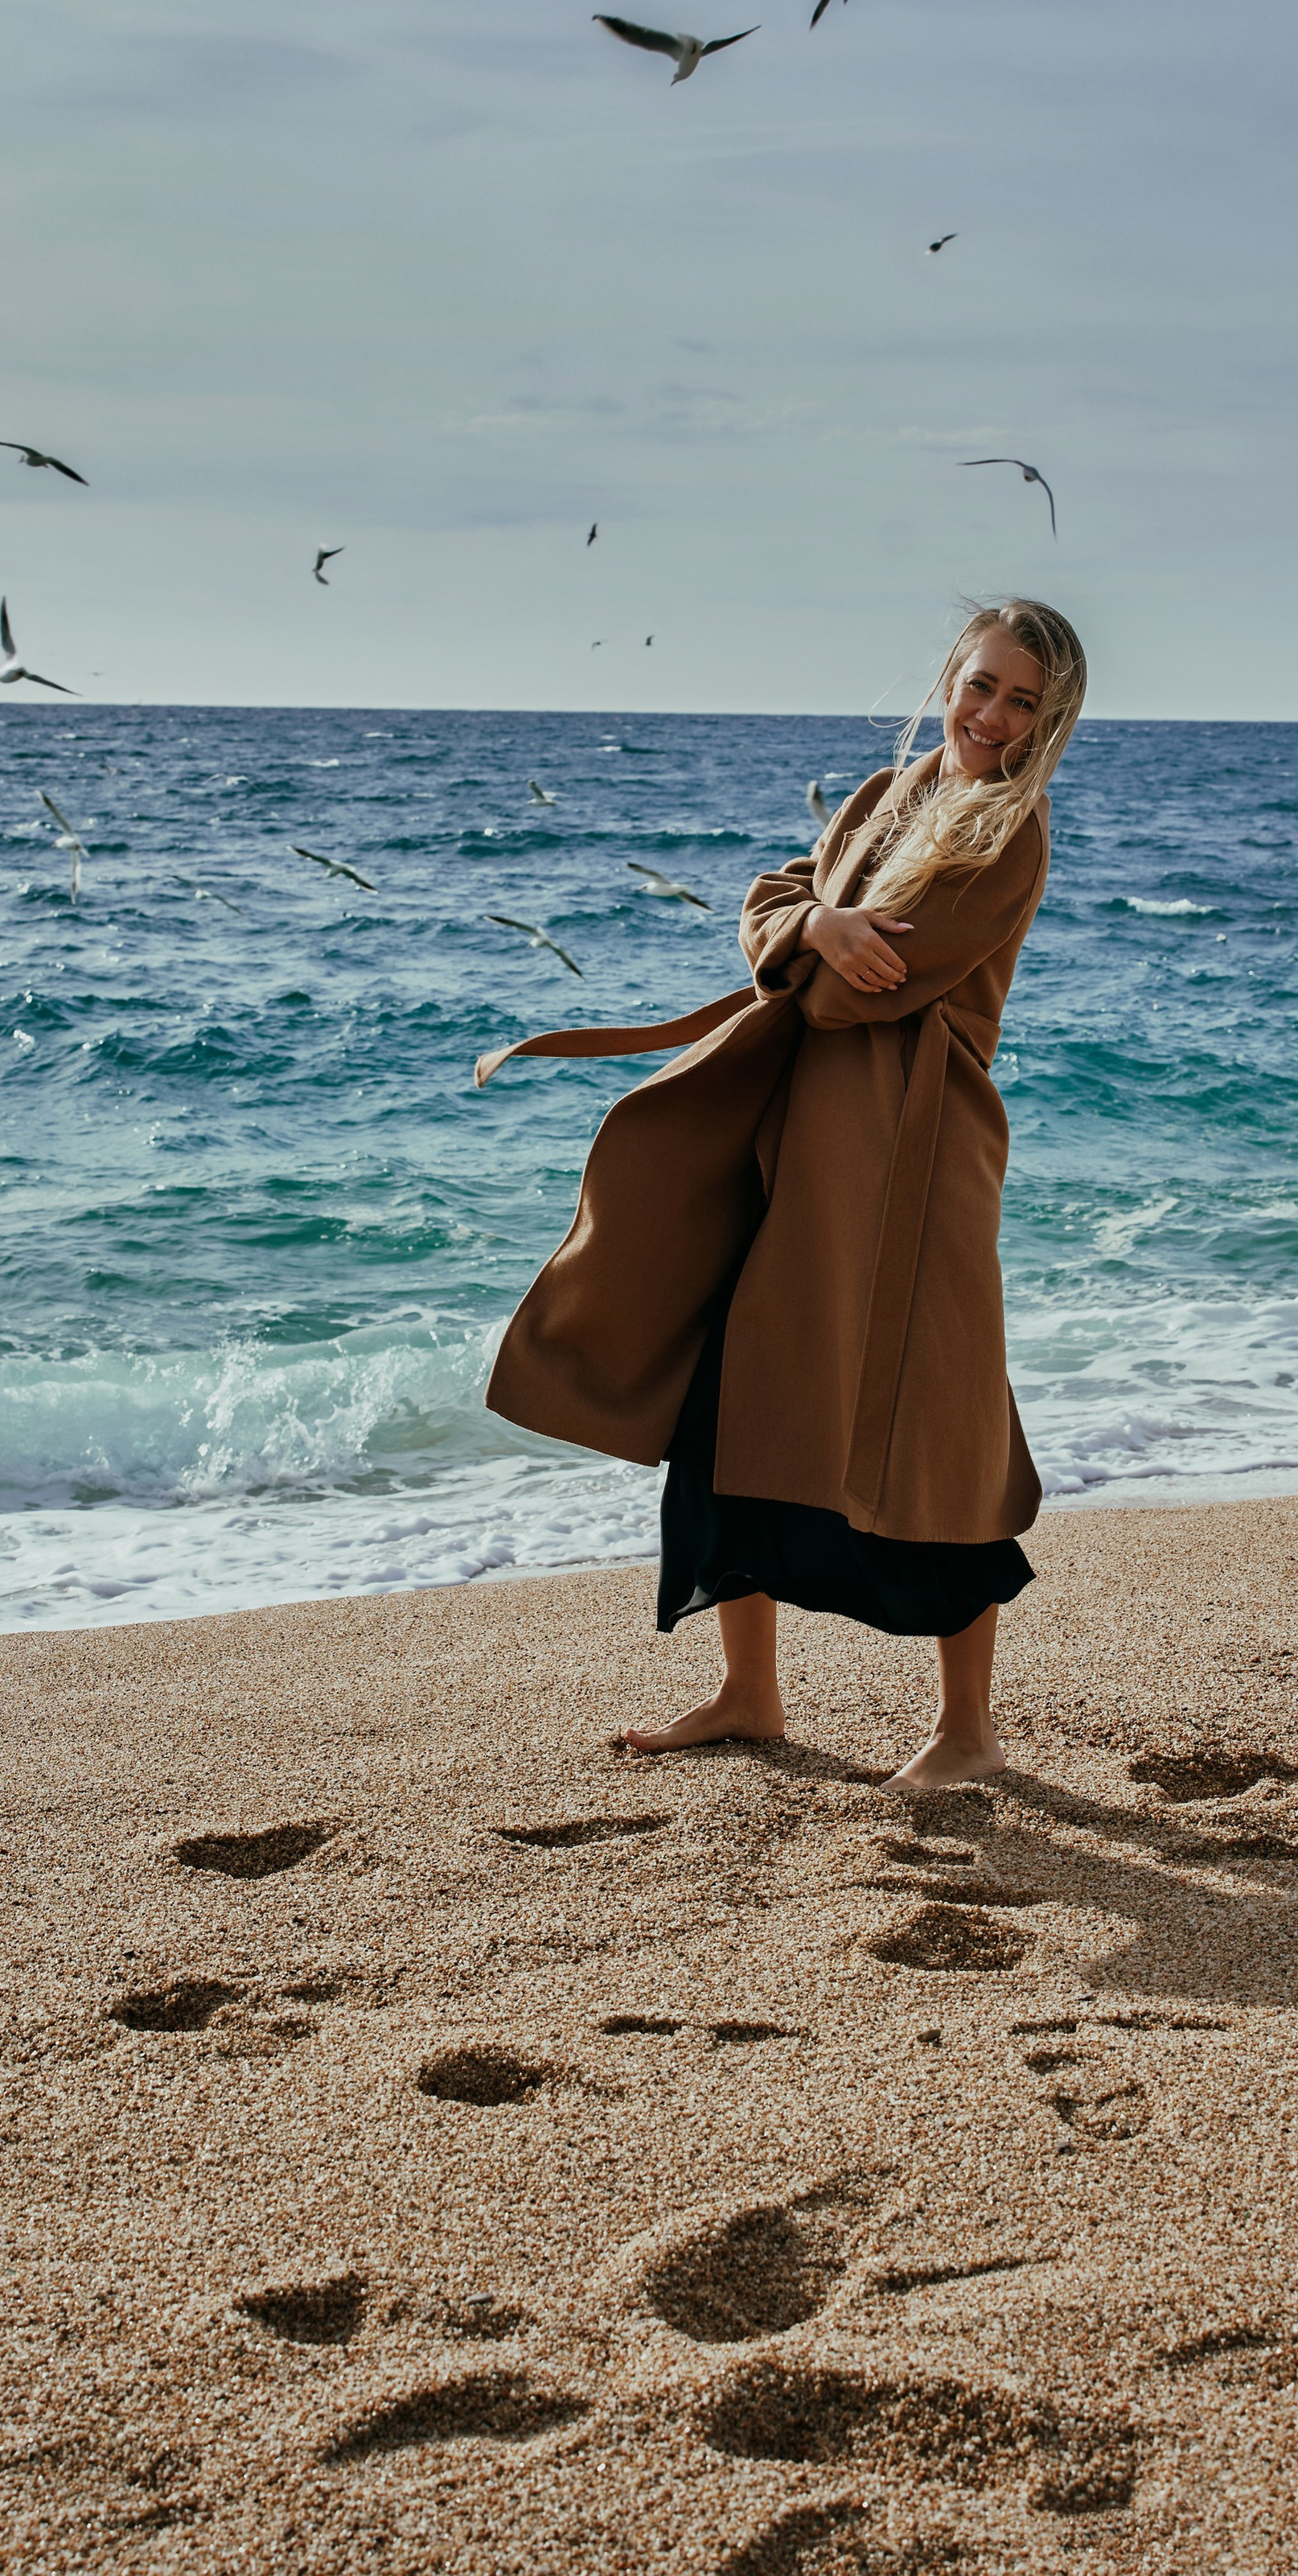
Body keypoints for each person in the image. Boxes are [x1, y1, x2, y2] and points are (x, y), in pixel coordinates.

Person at [479, 596, 1086, 1788]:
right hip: (797, 1142)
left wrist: (814, 944)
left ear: (1051, 722)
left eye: (1026, 702)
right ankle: (748, 1692)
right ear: (949, 678)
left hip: (912, 1160)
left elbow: (865, 990)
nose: (994, 717)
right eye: (983, 685)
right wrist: (815, 918)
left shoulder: (1011, 831)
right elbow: (773, 901)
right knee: (729, 1402)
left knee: (935, 1431)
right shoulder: (880, 794)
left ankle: (968, 1734)